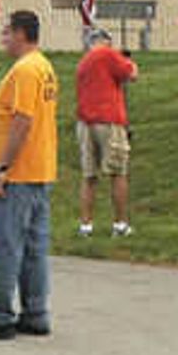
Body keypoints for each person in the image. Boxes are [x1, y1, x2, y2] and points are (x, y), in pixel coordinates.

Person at [0, 9, 56, 340]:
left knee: (6, 245)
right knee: (34, 246)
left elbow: (22, 119)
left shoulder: (26, 70)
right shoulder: (44, 66)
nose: (3, 39)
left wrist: (3, 166)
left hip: (19, 173)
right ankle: (35, 312)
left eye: (6, 32)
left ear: (20, 33)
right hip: (40, 169)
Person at [74, 18, 138, 236]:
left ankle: (86, 225)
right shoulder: (107, 54)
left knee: (89, 175)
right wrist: (128, 60)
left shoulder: (83, 62)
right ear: (106, 42)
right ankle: (120, 224)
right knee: (118, 172)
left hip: (85, 122)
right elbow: (131, 74)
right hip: (109, 120)